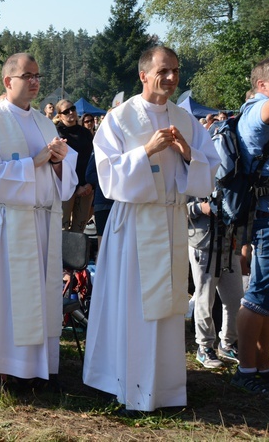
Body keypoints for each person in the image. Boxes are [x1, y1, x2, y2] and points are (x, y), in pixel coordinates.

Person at [83, 46, 220, 412]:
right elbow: (107, 175)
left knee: (169, 309)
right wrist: (145, 151)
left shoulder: (185, 118)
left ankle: (165, 388)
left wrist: (189, 153)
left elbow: (209, 170)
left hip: (173, 221)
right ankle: (129, 384)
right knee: (134, 307)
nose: (172, 78)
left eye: (176, 70)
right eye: (164, 71)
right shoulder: (119, 118)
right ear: (143, 75)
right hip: (135, 225)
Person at [0, 52, 76, 397]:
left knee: (39, 295)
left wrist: (57, 164)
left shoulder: (43, 122)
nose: (35, 82)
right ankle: (2, 369)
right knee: (4, 298)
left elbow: (65, 176)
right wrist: (35, 161)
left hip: (41, 221)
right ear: (8, 81)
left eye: (38, 75)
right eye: (28, 76)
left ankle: (36, 367)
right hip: (7, 224)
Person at [232, 55, 269, 393]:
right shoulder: (257, 110)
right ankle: (245, 370)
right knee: (259, 296)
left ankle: (263, 366)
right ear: (261, 85)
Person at [187, 196, 242, 369]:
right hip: (202, 245)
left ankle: (228, 343)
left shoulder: (234, 173)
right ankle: (204, 347)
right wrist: (199, 208)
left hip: (228, 246)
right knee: (205, 299)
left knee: (236, 299)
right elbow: (175, 208)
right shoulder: (190, 172)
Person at [55, 99, 94, 233]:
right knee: (61, 228)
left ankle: (76, 254)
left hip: (87, 186)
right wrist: (76, 187)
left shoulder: (86, 133)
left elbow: (92, 158)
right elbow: (58, 164)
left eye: (72, 109)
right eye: (66, 111)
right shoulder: (56, 134)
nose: (71, 112)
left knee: (79, 229)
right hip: (65, 187)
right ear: (60, 115)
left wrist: (90, 184)